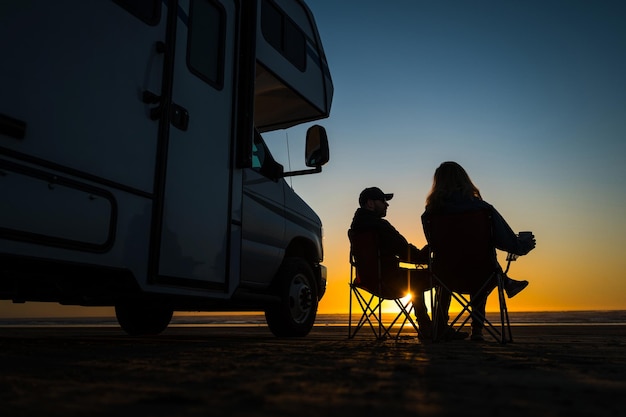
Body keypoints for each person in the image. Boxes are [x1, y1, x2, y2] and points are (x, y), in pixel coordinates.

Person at [422, 161, 536, 341]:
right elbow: (507, 242)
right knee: (481, 268)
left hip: (444, 276)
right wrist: (524, 244)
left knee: (449, 268)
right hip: (482, 274)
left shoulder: (429, 215)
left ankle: (440, 328)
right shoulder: (484, 210)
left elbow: (435, 246)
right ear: (465, 180)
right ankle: (477, 331)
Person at [349, 187, 467, 340]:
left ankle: (426, 326)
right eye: (383, 201)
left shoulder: (356, 229)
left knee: (414, 279)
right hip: (391, 281)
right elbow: (405, 251)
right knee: (442, 277)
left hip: (368, 281)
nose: (387, 205)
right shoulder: (380, 226)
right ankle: (438, 327)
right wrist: (429, 250)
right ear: (370, 203)